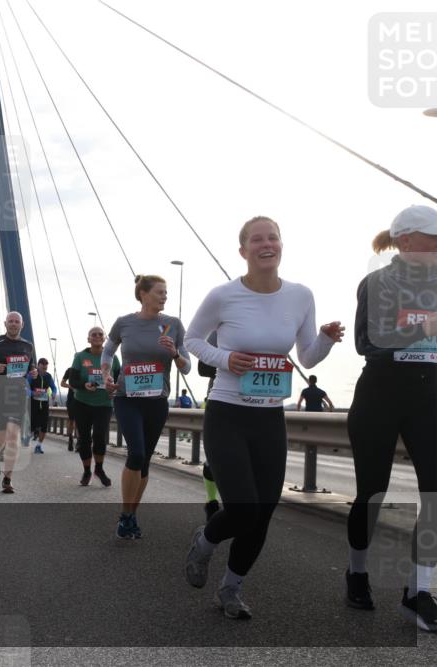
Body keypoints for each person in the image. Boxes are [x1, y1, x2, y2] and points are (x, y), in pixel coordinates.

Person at [183, 215, 343, 620]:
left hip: (269, 417)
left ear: (281, 246)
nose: (266, 244)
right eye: (257, 239)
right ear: (243, 251)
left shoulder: (301, 296)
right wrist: (225, 358)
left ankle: (230, 590)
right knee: (243, 508)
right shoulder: (223, 295)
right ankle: (205, 541)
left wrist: (325, 339)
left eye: (273, 237)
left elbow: (307, 357)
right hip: (227, 413)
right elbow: (192, 339)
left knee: (263, 512)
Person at [344, 205, 437, 632]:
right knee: (372, 494)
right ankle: (357, 571)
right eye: (432, 237)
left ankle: (418, 592)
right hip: (379, 396)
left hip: (427, 399)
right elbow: (368, 343)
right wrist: (424, 328)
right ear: (405, 240)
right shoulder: (378, 282)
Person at [102, 274, 191, 539]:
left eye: (166, 292)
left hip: (157, 402)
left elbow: (187, 366)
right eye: (160, 292)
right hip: (127, 398)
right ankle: (125, 514)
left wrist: (174, 353)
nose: (165, 296)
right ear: (143, 294)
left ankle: (131, 515)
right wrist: (106, 374)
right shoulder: (124, 323)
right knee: (137, 454)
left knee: (145, 461)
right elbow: (108, 351)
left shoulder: (173, 324)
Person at [0, 311, 36, 494]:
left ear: (22, 325)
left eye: (17, 321)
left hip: (17, 396)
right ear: (5, 323)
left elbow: (30, 366)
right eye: (11, 321)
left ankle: (7, 478)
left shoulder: (27, 346)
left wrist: (33, 371)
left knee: (13, 436)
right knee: (0, 438)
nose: (13, 324)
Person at [69, 326, 121, 488]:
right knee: (84, 439)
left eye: (100, 334)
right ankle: (87, 471)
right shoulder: (80, 357)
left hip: (104, 404)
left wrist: (115, 390)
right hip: (82, 403)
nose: (97, 336)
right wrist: (84, 385)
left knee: (99, 436)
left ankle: (99, 469)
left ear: (105, 338)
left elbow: (120, 380)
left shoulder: (113, 358)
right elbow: (72, 380)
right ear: (88, 339)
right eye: (93, 334)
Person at [28, 358, 58, 454]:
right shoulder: (31, 375)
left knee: (44, 426)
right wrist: (32, 393)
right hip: (33, 404)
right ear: (38, 366)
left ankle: (38, 446)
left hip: (44, 404)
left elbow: (54, 387)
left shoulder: (48, 376)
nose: (44, 370)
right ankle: (26, 439)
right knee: (31, 426)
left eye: (46, 368)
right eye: (42, 368)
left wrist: (54, 394)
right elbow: (24, 388)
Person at [60, 366, 79, 451]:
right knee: (71, 420)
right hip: (71, 399)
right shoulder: (69, 370)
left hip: (82, 399)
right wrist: (71, 387)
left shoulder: (84, 369)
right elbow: (62, 383)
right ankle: (70, 439)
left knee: (79, 421)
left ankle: (79, 442)